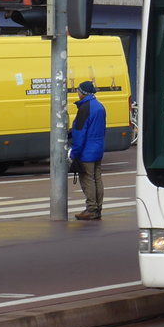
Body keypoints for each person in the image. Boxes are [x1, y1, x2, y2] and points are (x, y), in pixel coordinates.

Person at [70, 80, 107, 221]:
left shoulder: (85, 108)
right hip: (97, 149)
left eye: (78, 90)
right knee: (97, 179)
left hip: (86, 151)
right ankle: (98, 208)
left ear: (83, 93)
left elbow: (80, 133)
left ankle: (91, 209)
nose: (77, 93)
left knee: (87, 179)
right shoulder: (99, 106)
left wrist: (74, 153)